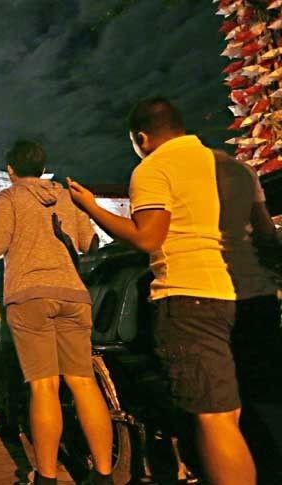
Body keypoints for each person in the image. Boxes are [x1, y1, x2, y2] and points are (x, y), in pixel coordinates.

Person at [67, 98, 281, 485]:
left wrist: (90, 207)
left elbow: (148, 238)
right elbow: (266, 237)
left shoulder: (155, 167)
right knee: (257, 409)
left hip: (194, 298)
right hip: (255, 300)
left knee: (216, 417)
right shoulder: (235, 167)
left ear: (141, 137)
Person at [0, 139, 112, 485]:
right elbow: (89, 243)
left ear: (10, 170)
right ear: (42, 166)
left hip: (29, 297)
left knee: (44, 387)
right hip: (73, 294)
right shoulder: (67, 196)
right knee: (84, 383)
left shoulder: (9, 197)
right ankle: (103, 473)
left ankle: (47, 475)